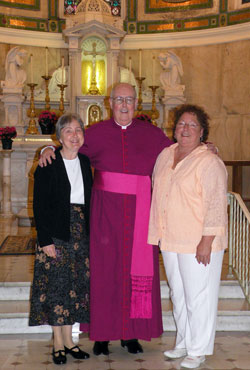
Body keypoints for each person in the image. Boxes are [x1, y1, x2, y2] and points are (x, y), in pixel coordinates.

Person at [39, 82, 173, 355]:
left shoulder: (153, 134)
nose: (124, 105)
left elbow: (178, 152)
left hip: (139, 214)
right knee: (104, 274)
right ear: (110, 103)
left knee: (136, 273)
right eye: (119, 100)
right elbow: (69, 147)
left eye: (129, 100)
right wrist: (45, 149)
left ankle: (131, 334)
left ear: (136, 104)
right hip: (104, 215)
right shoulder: (95, 133)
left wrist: (207, 147)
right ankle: (102, 334)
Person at [148, 104, 228, 369]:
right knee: (179, 294)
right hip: (171, 238)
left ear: (202, 132)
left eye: (192, 125)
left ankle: (198, 349)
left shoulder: (209, 161)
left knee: (198, 296)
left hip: (198, 241)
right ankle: (183, 341)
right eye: (181, 124)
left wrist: (206, 241)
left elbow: (216, 205)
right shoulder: (165, 155)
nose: (185, 129)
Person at [29, 113, 93, 365]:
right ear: (59, 136)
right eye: (68, 130)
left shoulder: (86, 162)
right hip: (56, 232)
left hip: (80, 233)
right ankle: (58, 343)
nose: (74, 135)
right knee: (56, 288)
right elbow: (39, 205)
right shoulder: (49, 162)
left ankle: (69, 341)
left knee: (74, 288)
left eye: (79, 130)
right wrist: (45, 239)